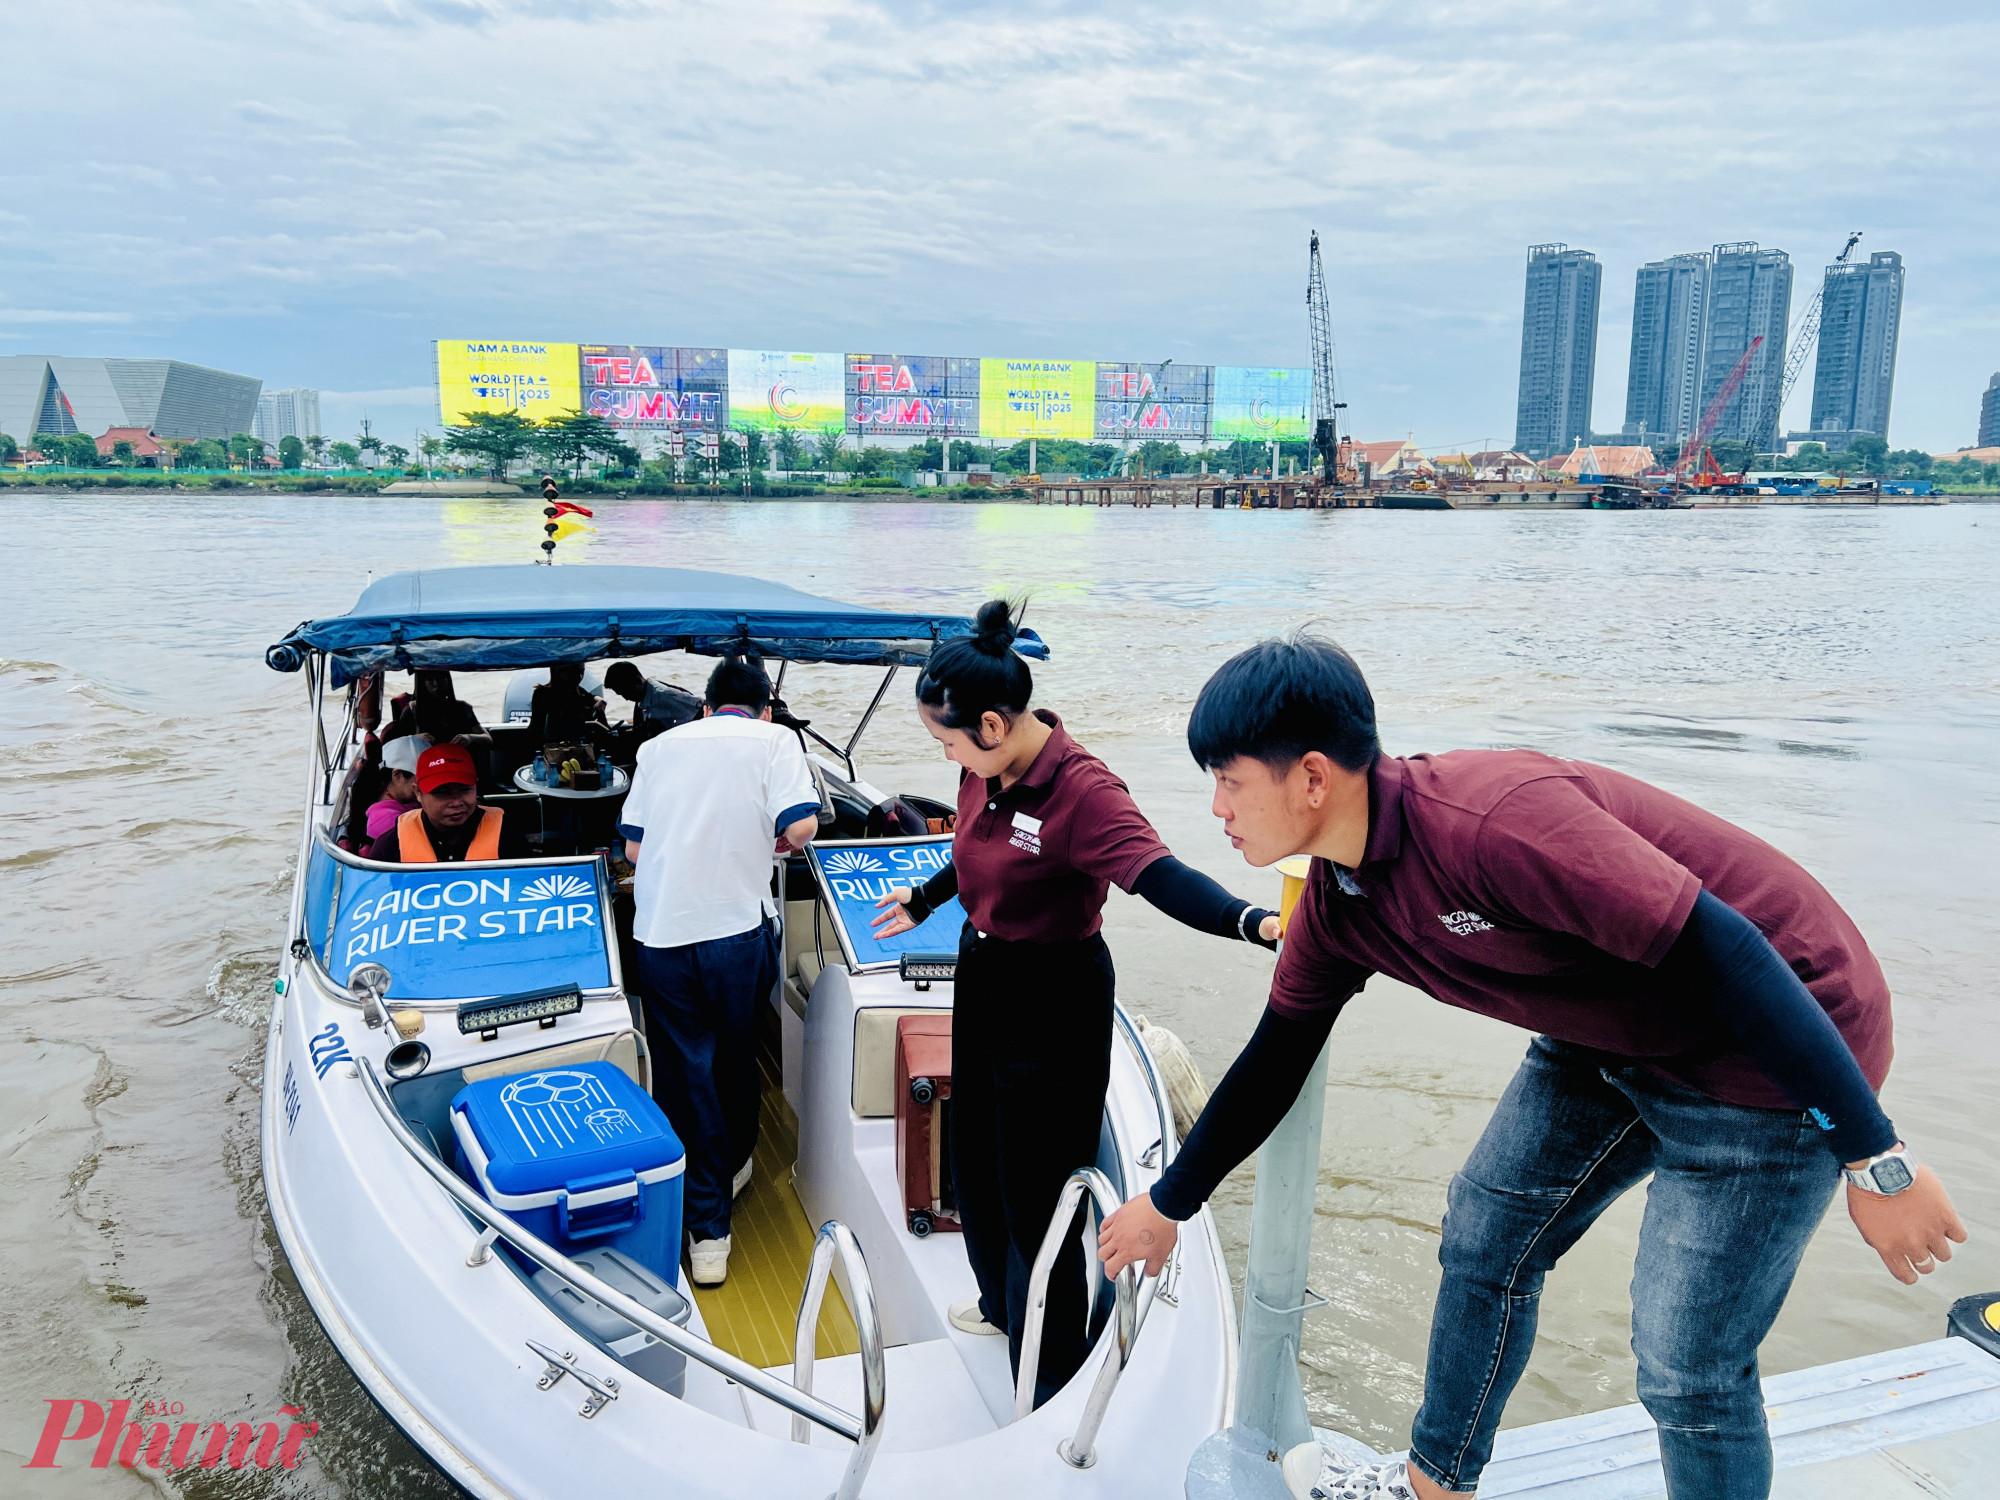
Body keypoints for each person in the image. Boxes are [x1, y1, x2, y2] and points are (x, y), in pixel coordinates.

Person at [1095, 633, 1968, 1500]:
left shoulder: (1495, 823)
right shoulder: (1338, 905)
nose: (1217, 809)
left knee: (1686, 1369)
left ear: (1314, 778)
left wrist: (1874, 1159)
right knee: (1482, 1235)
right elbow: (1276, 1057)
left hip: (1774, 1049)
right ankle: (1438, 1486)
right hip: (1615, 1033)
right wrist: (1170, 1203)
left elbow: (1729, 954)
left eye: (1230, 781)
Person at [869, 600, 1284, 1409]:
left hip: (1054, 994)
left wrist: (1252, 921)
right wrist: (925, 899)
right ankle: (999, 1306)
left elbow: (1160, 875)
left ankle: (1053, 1363)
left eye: (947, 740)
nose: (944, 755)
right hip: (983, 973)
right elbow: (976, 847)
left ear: (993, 725)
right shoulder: (983, 768)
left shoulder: (1084, 792)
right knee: (978, 1163)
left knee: (1039, 1187)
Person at [618, 650, 822, 1287]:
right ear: (764, 707)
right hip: (735, 932)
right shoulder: (775, 740)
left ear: (704, 707)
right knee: (735, 1054)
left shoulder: (659, 747)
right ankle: (717, 1214)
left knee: (687, 1069)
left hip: (662, 935)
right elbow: (806, 826)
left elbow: (633, 845)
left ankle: (712, 1192)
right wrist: (771, 839)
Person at [367, 743, 528, 863]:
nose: (456, 802)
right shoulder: (391, 844)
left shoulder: (507, 835)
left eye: (465, 790)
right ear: (418, 793)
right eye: (442, 793)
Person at [382, 669, 491, 764]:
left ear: (448, 680)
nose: (436, 684)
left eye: (441, 678)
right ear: (422, 683)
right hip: (427, 766)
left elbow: (487, 738)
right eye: (430, 680)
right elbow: (395, 745)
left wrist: (469, 738)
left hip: (459, 763)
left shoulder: (462, 708)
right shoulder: (413, 710)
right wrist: (416, 738)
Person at [603, 660, 701, 741]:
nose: (626, 698)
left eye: (626, 692)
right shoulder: (641, 697)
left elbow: (702, 708)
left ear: (638, 680)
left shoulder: (665, 695)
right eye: (621, 694)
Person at [363, 734, 430, 843]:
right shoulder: (386, 821)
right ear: (398, 775)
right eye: (423, 780)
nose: (430, 786)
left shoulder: (404, 800)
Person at [526, 661, 608, 746]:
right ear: (558, 671)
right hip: (554, 749)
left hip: (579, 747)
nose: (579, 677)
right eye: (573, 672)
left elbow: (592, 697)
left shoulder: (578, 691)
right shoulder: (542, 694)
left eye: (582, 672)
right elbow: (535, 728)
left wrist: (600, 701)